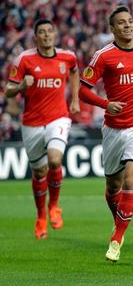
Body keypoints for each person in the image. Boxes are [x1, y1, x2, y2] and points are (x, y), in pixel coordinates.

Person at [78, 5, 133, 262]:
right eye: (122, 23)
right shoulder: (104, 56)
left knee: (130, 178)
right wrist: (106, 104)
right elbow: (83, 90)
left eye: (130, 21)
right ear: (112, 29)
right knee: (113, 186)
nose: (127, 26)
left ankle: (116, 239)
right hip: (114, 128)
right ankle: (119, 221)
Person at [5, 19, 80, 239]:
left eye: (50, 31)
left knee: (54, 160)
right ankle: (40, 217)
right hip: (31, 122)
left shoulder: (67, 56)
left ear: (55, 34)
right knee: (39, 172)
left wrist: (75, 99)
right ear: (35, 37)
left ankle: (54, 206)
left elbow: (75, 71)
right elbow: (8, 89)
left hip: (58, 118)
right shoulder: (24, 59)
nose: (46, 35)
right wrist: (21, 86)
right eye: (42, 32)